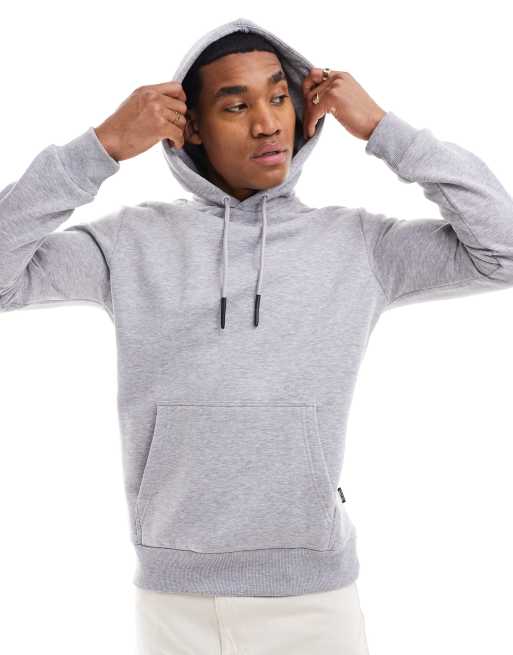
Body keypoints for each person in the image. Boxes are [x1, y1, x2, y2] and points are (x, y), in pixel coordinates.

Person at [2, 15, 513, 655]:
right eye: (237, 105)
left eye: (278, 97)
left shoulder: (360, 246)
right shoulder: (129, 243)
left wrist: (385, 131)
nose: (268, 123)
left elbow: (503, 251)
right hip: (175, 601)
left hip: (314, 602)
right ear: (189, 127)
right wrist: (98, 147)